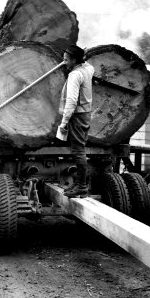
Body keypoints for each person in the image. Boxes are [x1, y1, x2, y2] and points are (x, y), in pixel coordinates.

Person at [58, 44, 94, 198]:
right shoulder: (88, 69)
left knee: (79, 152)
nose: (64, 62)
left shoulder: (74, 75)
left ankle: (81, 187)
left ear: (74, 60)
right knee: (80, 150)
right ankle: (80, 185)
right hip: (85, 114)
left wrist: (64, 122)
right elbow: (89, 65)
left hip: (76, 116)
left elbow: (71, 101)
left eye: (66, 60)